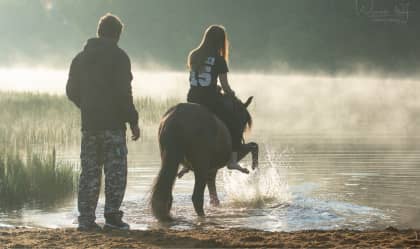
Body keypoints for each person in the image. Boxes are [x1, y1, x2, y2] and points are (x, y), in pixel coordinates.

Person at [66, 13, 140, 231]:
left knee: (89, 173)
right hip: (113, 126)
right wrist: (133, 120)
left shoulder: (80, 58)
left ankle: (86, 220)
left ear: (99, 32)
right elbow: (124, 93)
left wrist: (87, 106)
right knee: (116, 172)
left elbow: (70, 91)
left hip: (89, 126)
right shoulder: (119, 57)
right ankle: (112, 217)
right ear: (117, 35)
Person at [187, 25, 243, 170]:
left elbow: (199, 79)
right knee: (234, 122)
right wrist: (232, 94)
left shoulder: (193, 55)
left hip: (192, 98)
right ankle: (232, 160)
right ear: (221, 42)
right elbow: (225, 86)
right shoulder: (219, 59)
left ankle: (187, 162)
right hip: (209, 101)